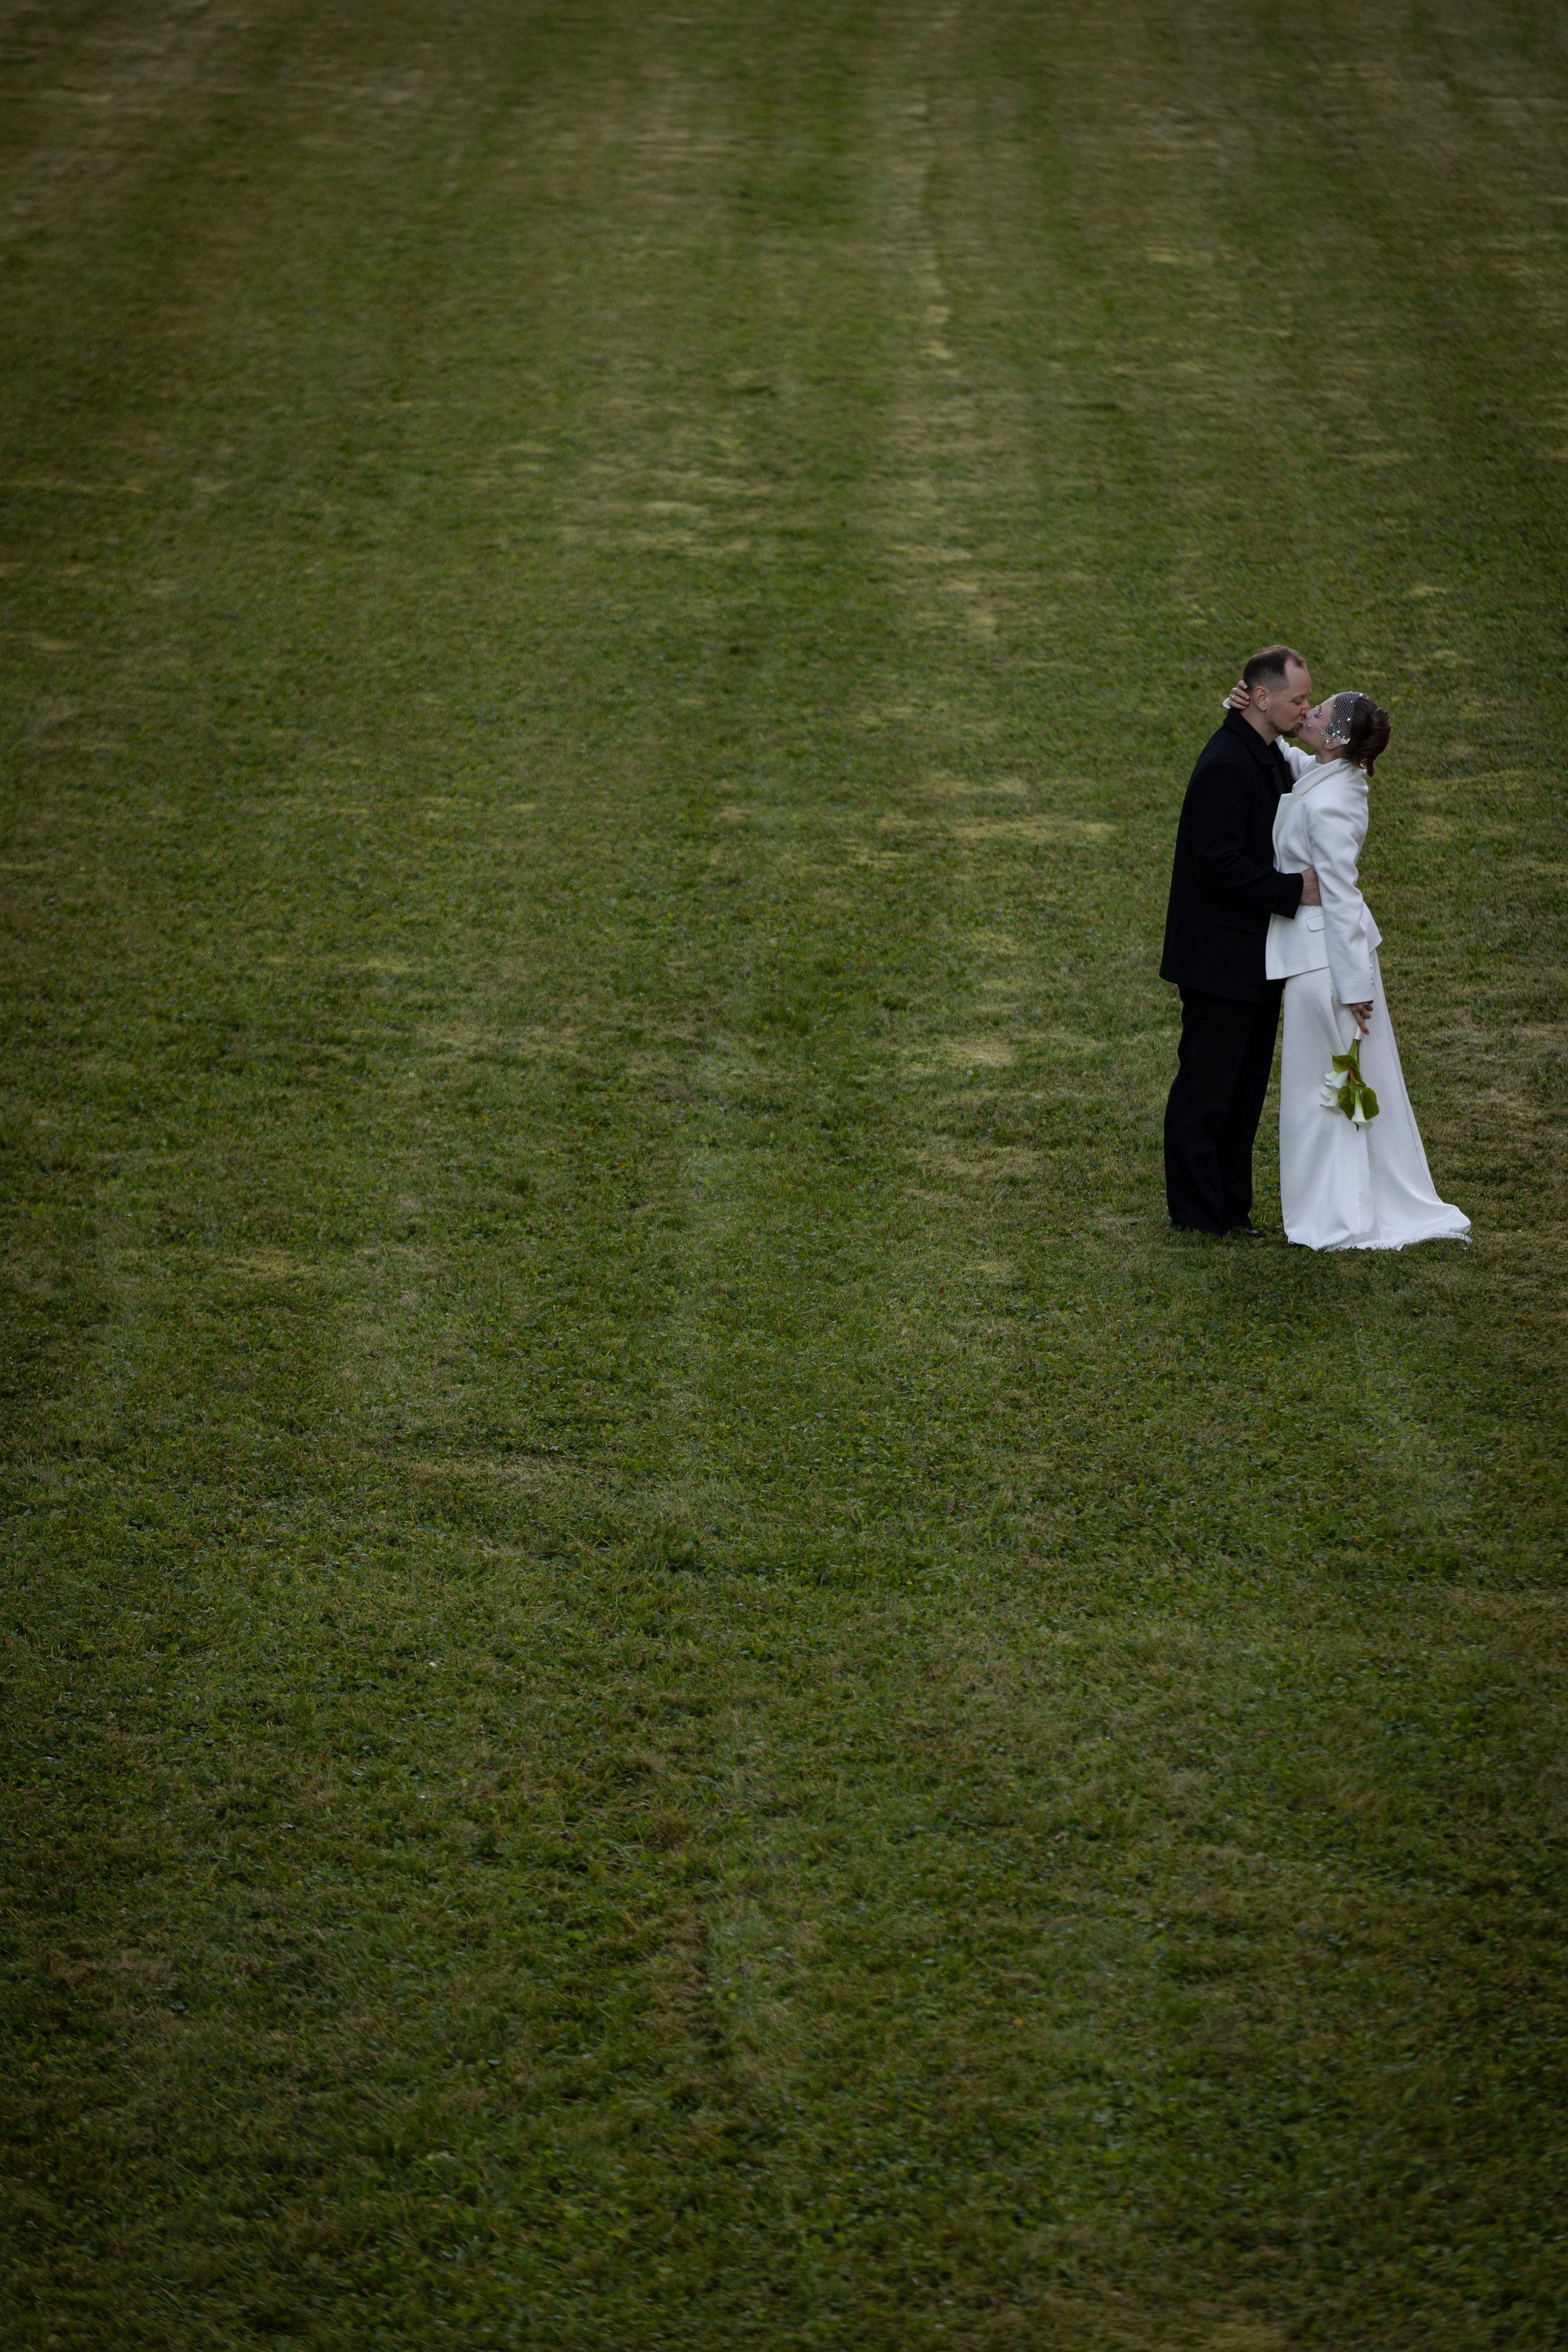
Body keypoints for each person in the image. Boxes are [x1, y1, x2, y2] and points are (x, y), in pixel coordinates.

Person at [1256, 689, 1470, 1250]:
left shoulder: (1332, 803)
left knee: (1327, 1092)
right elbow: (1297, 766)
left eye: (1319, 712)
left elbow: (1341, 900)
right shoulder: (1333, 776)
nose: (1309, 712)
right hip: (1322, 961)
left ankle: (1341, 1214)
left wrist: (1354, 990)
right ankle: (1341, 1201)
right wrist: (1248, 714)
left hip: (1324, 965)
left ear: (1336, 738)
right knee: (1328, 1089)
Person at [1159, 646, 1322, 1235]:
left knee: (1245, 1091)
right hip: (1217, 959)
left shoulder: (1268, 752)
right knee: (1207, 1091)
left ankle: (1231, 1208)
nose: (1305, 709)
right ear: (1260, 697)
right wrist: (1290, 890)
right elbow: (1216, 864)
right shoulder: (1227, 763)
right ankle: (1199, 1215)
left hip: (1254, 956)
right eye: (1298, 699)